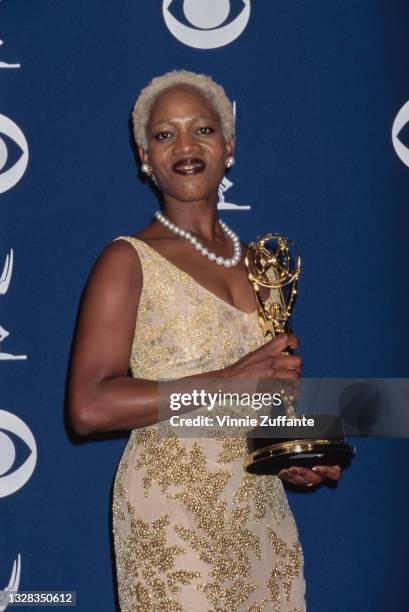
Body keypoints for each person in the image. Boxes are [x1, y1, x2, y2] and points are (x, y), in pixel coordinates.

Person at [68, 70, 341, 612]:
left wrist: (294, 451)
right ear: (145, 157)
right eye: (165, 135)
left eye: (202, 130)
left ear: (229, 146)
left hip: (260, 509)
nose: (185, 147)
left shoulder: (262, 265)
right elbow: (88, 406)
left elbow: (262, 395)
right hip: (171, 517)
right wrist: (224, 381)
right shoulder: (126, 260)